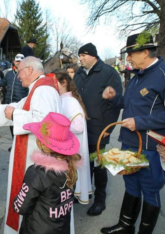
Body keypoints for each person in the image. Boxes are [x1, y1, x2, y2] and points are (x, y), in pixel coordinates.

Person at [101, 32, 165, 234]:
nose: (128, 58)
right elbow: (130, 104)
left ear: (145, 52)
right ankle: (125, 226)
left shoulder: (162, 74)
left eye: (131, 53)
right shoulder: (137, 76)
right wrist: (114, 97)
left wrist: (139, 122)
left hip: (150, 146)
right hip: (129, 142)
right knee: (131, 184)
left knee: (150, 189)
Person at [0, 56, 62, 234]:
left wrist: (15, 115)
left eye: (20, 71)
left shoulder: (43, 90)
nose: (18, 75)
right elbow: (20, 106)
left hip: (35, 154)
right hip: (33, 151)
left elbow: (44, 121)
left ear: (30, 70)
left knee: (34, 200)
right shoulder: (37, 88)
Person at [73, 43, 123, 216]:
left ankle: (100, 200)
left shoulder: (109, 73)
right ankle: (83, 192)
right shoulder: (78, 74)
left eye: (83, 55)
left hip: (99, 128)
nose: (81, 59)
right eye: (80, 56)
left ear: (93, 55)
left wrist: (108, 126)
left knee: (98, 165)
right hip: (80, 129)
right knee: (81, 162)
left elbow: (114, 103)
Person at [13, 112, 81, 234]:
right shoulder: (72, 168)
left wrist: (16, 201)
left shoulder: (37, 173)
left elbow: (20, 207)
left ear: (41, 143)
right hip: (62, 228)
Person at [55, 70, 91, 204]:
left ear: (64, 82)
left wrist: (56, 127)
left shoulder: (71, 102)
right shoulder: (63, 99)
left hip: (72, 151)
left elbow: (78, 126)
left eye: (55, 83)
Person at [0, 53, 29, 140]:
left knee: (19, 128)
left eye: (21, 61)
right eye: (17, 61)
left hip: (20, 106)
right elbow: (3, 83)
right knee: (11, 126)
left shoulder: (26, 74)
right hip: (9, 104)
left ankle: (18, 145)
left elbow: (28, 90)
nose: (18, 63)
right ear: (14, 62)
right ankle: (14, 144)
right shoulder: (9, 74)